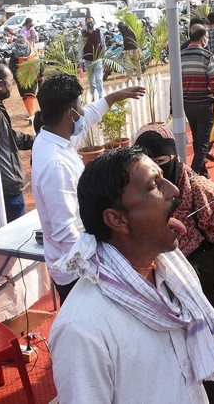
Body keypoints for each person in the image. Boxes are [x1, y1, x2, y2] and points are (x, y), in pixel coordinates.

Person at [49, 148, 214, 403]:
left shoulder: (171, 276)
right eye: (154, 186)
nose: (174, 190)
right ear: (117, 219)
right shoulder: (81, 329)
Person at [133, 125, 214, 403]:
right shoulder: (140, 195)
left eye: (164, 164)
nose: (163, 182)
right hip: (164, 296)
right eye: (152, 173)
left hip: (203, 292)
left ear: (174, 157)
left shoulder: (200, 190)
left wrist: (190, 273)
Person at [32, 74, 145, 304]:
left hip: (80, 260)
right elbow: (65, 233)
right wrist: (101, 270)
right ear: (70, 114)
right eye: (79, 107)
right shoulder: (55, 164)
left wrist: (114, 97)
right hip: (76, 273)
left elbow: (89, 117)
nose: (83, 111)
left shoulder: (53, 137)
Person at [0, 63, 34, 234]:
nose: (12, 85)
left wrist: (36, 139)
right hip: (5, 189)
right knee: (13, 239)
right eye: (10, 81)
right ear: (0, 85)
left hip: (3, 187)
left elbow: (9, 137)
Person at [180, 24, 214, 178]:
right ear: (202, 38)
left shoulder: (181, 56)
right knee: (203, 144)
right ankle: (191, 177)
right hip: (204, 105)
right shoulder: (207, 56)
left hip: (187, 105)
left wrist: (174, 108)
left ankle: (204, 174)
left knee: (197, 139)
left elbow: (175, 84)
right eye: (206, 36)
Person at [9, 34, 40, 122]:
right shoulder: (31, 49)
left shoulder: (15, 50)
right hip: (32, 74)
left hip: (21, 77)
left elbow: (12, 65)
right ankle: (31, 114)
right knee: (31, 94)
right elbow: (37, 61)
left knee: (25, 95)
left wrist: (16, 74)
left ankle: (31, 114)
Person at [78, 16, 105, 100]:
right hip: (88, 60)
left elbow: (103, 45)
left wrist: (105, 57)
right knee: (91, 80)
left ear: (94, 22)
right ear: (86, 23)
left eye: (91, 22)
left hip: (98, 59)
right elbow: (80, 48)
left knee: (98, 78)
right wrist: (80, 61)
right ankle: (94, 96)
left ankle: (100, 96)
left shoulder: (99, 32)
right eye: (88, 22)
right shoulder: (82, 34)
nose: (90, 23)